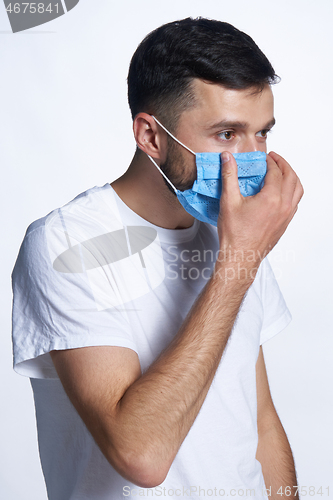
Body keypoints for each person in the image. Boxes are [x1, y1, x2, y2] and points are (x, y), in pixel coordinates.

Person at [11, 17, 303, 500]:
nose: (252, 158)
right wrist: (239, 263)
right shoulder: (63, 244)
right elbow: (140, 455)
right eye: (227, 134)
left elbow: (260, 421)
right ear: (150, 136)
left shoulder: (233, 234)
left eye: (261, 134)